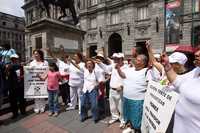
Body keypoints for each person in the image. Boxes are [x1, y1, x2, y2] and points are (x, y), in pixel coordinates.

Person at [161, 49, 200, 133]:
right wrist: (167, 66)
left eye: (172, 63)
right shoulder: (196, 71)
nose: (196, 54)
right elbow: (177, 81)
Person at [117, 54, 148, 133]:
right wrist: (118, 69)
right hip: (126, 97)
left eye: (138, 60)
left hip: (137, 100)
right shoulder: (130, 69)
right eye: (136, 59)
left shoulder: (146, 71)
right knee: (128, 115)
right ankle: (131, 128)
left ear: (143, 63)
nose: (135, 60)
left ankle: (136, 130)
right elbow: (123, 76)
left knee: (137, 119)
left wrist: (149, 50)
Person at [96, 53, 126, 128]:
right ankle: (115, 117)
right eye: (115, 58)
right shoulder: (113, 65)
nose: (116, 60)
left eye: (118, 59)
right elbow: (106, 68)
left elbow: (127, 78)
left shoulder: (126, 67)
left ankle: (123, 120)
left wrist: (122, 86)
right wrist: (100, 63)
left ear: (122, 59)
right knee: (112, 106)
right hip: (112, 89)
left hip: (120, 90)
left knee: (121, 107)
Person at [80, 59, 103, 123]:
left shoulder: (96, 72)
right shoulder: (85, 71)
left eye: (90, 63)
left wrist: (97, 84)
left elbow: (100, 80)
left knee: (94, 105)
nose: (89, 65)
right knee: (82, 104)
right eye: (88, 64)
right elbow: (77, 66)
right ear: (86, 65)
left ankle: (96, 117)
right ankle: (83, 116)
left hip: (93, 90)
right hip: (85, 90)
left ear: (93, 65)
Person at [29, 49, 48, 114]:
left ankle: (42, 107)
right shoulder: (32, 63)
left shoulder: (45, 62)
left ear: (40, 54)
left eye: (37, 54)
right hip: (35, 81)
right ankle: (37, 107)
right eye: (34, 54)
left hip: (43, 81)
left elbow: (47, 71)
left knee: (42, 95)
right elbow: (29, 72)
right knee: (36, 95)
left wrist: (43, 77)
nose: (35, 55)